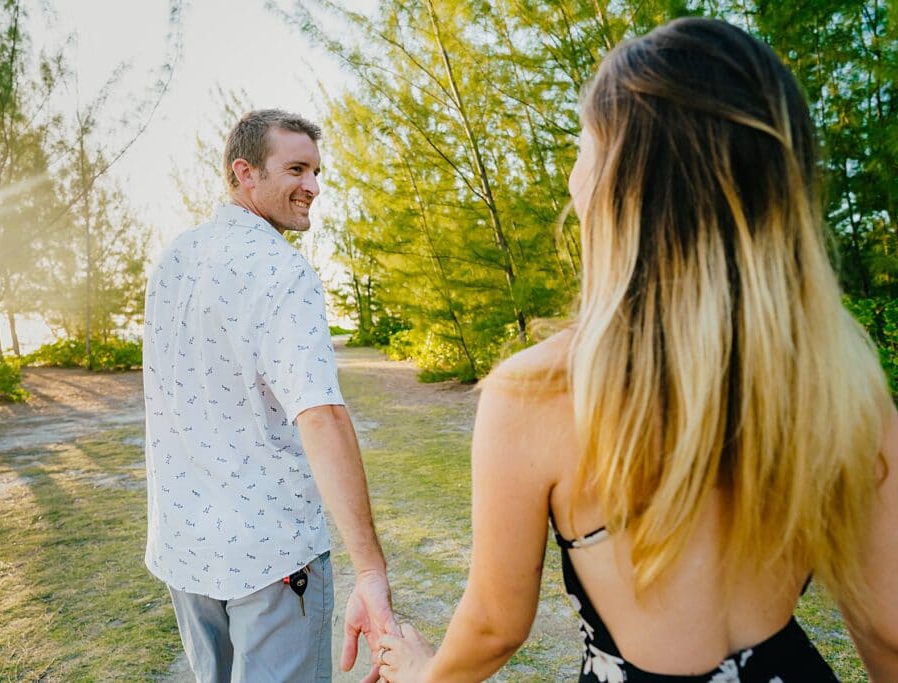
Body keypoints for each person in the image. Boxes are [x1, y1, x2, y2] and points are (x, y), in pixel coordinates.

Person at [377, 18, 898, 683]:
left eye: (583, 147)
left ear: (622, 185)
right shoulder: (841, 380)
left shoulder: (539, 391)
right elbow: (888, 630)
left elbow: (494, 626)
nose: (573, 176)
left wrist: (424, 674)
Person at [143, 109, 397, 683]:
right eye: (297, 169)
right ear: (245, 172)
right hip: (271, 554)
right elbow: (322, 414)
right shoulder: (282, 270)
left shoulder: (173, 262)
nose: (312, 186)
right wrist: (370, 569)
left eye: (316, 171)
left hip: (185, 549)